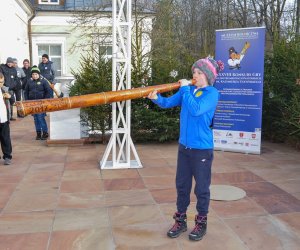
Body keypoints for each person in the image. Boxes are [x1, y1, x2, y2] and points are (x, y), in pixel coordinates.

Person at [147, 57, 224, 241]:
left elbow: (196, 109)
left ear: (207, 76)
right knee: (182, 185)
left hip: (202, 150)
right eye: (193, 73)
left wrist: (184, 89)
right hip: (184, 147)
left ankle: (201, 223)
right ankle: (180, 220)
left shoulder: (212, 93)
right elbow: (167, 103)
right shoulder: (187, 90)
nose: (194, 76)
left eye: (198, 72)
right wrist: (156, 97)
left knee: (202, 188)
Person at [24, 66, 52, 140]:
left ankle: (45, 133)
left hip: (41, 103)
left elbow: (48, 91)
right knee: (36, 119)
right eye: (33, 74)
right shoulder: (29, 82)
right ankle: (38, 133)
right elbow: (26, 92)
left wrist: (45, 101)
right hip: (32, 103)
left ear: (39, 74)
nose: (34, 76)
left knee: (40, 118)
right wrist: (27, 101)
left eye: (36, 74)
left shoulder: (44, 81)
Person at [0, 73, 13, 165]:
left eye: (2, 81)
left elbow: (13, 102)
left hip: (4, 118)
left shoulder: (5, 89)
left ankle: (7, 156)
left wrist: (10, 97)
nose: (1, 84)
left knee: (6, 138)